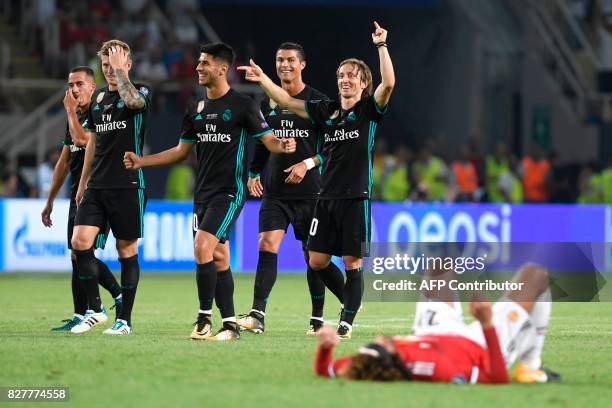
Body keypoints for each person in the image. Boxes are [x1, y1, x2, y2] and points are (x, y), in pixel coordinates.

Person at [124, 42, 296, 341]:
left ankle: (203, 319)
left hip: (229, 192)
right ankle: (230, 324)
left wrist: (283, 145)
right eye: (199, 63)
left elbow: (269, 141)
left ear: (222, 68)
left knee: (202, 247)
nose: (198, 68)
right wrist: (142, 161)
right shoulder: (196, 108)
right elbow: (181, 152)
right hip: (202, 195)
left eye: (204, 63)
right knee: (218, 258)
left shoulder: (244, 105)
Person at [239, 22, 395, 339]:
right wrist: (263, 79)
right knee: (318, 260)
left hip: (355, 197)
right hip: (325, 198)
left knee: (352, 261)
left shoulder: (369, 110)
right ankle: (351, 302)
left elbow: (389, 83)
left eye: (352, 76)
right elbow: (285, 100)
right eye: (341, 76)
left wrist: (381, 46)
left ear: (364, 83)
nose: (345, 80)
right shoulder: (326, 111)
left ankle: (346, 321)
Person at [237, 42, 345, 335]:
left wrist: (307, 164)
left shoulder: (318, 103)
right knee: (266, 244)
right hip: (275, 193)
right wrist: (253, 172)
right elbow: (262, 141)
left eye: (290, 60)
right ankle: (257, 315)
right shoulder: (264, 104)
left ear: (302, 64)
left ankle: (319, 317)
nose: (284, 64)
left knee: (314, 257)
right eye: (279, 60)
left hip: (313, 193)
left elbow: (334, 147)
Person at [314, 263, 561, 384]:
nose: (378, 339)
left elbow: (327, 370)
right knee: (535, 275)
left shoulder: (371, 362)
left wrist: (325, 348)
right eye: (379, 344)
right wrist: (487, 324)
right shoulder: (437, 367)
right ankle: (530, 366)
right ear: (389, 355)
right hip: (479, 342)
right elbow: (496, 378)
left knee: (439, 267)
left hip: (433, 332)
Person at [70, 39, 152, 336]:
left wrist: (121, 75)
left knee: (125, 250)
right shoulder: (99, 99)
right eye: (104, 65)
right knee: (79, 243)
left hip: (128, 185)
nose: (108, 71)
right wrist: (82, 184)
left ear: (128, 65)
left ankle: (125, 320)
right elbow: (92, 142)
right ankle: (95, 309)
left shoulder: (140, 91)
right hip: (97, 186)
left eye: (114, 64)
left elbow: (133, 103)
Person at [41, 66, 122, 332]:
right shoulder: (75, 117)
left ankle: (106, 303)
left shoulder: (102, 113)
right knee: (76, 255)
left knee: (82, 252)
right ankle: (82, 312)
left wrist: (68, 111)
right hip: (79, 194)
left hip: (101, 194)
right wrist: (50, 200)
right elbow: (64, 162)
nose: (73, 90)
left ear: (92, 86)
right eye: (70, 85)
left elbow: (83, 140)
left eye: (78, 84)